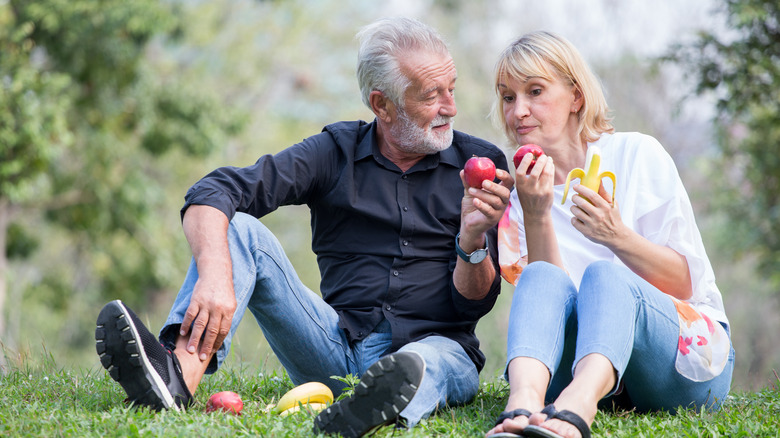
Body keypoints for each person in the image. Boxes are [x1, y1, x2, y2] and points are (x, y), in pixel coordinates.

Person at [94, 16, 514, 437]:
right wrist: (217, 274)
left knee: (427, 363)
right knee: (240, 229)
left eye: (451, 89)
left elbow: (472, 304)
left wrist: (472, 237)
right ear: (381, 104)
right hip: (335, 347)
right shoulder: (335, 152)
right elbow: (215, 190)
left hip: (439, 346)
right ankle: (175, 378)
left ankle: (373, 409)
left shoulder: (480, 164)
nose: (450, 108)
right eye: (431, 96)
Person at [484, 31, 734, 438]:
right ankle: (522, 406)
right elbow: (550, 304)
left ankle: (576, 411)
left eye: (535, 91)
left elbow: (684, 283)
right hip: (588, 368)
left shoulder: (637, 155)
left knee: (607, 275)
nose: (519, 111)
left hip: (683, 362)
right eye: (508, 97)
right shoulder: (520, 194)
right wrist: (538, 213)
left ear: (576, 97)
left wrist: (617, 236)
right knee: (539, 276)